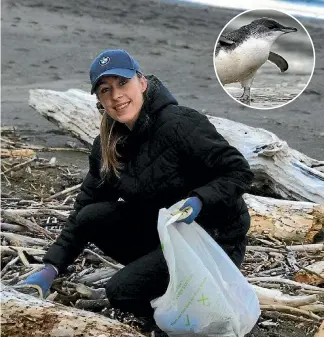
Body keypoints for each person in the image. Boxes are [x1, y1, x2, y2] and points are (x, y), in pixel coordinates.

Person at [17, 49, 253, 318]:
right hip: (164, 237)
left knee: (122, 292)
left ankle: (182, 311)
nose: (116, 96)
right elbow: (84, 207)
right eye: (105, 89)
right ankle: (159, 279)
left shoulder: (180, 124)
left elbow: (239, 171)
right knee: (91, 216)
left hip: (215, 241)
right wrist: (51, 267)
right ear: (99, 99)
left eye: (122, 83)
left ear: (142, 83)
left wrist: (200, 199)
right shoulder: (107, 146)